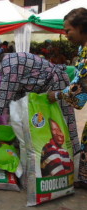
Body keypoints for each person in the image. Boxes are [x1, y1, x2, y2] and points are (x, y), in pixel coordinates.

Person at [0, 37, 80, 155]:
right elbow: (14, 92)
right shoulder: (9, 60)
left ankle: (73, 154)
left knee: (63, 120)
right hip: (45, 89)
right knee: (50, 123)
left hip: (56, 84)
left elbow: (4, 92)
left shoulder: (9, 64)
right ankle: (57, 151)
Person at [47, 8, 87, 188]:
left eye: (68, 30)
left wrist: (56, 95)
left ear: (80, 28)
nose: (66, 34)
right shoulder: (82, 47)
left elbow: (81, 87)